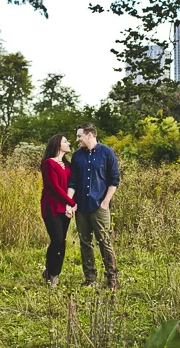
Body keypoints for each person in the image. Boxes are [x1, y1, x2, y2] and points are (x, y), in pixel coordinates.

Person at [67, 123, 120, 289]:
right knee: (85, 243)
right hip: (81, 208)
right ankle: (90, 278)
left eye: (79, 136)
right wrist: (70, 203)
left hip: (99, 207)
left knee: (104, 242)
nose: (77, 140)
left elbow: (114, 180)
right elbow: (73, 181)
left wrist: (105, 202)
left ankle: (112, 280)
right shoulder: (77, 156)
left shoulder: (107, 153)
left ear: (89, 135)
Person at [40, 134, 77, 288]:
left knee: (61, 243)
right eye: (65, 141)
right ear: (57, 145)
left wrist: (71, 205)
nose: (68, 143)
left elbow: (72, 185)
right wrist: (72, 202)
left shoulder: (68, 165)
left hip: (65, 208)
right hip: (51, 207)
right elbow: (54, 187)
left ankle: (53, 272)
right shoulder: (48, 163)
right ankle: (52, 275)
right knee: (56, 240)